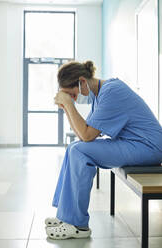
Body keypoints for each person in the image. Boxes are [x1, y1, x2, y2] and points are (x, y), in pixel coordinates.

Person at [45, 60, 162, 240]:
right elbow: (82, 135)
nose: (73, 99)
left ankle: (78, 225)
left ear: (82, 81)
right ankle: (65, 215)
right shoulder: (100, 95)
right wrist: (67, 107)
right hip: (135, 144)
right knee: (74, 148)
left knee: (78, 151)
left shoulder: (112, 92)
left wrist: (69, 105)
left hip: (148, 147)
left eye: (72, 95)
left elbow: (86, 135)